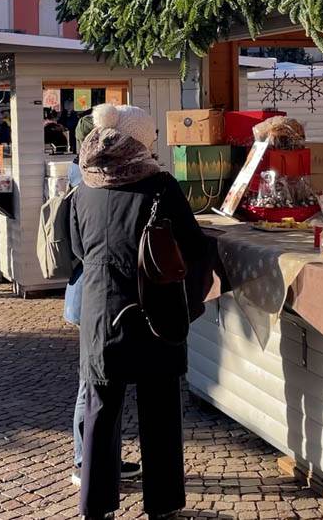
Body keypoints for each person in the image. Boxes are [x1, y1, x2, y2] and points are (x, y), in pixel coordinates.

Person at [69, 104, 207, 520]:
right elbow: (193, 246)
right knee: (160, 410)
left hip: (99, 310)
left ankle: (96, 506)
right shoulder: (160, 185)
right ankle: (162, 505)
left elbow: (76, 248)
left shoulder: (84, 187)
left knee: (99, 409)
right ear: (140, 142)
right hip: (154, 309)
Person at [64, 116, 143, 488]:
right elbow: (82, 247)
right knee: (92, 383)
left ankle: (94, 459)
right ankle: (85, 462)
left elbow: (77, 246)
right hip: (95, 294)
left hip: (88, 292)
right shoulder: (91, 180)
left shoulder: (82, 177)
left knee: (94, 381)